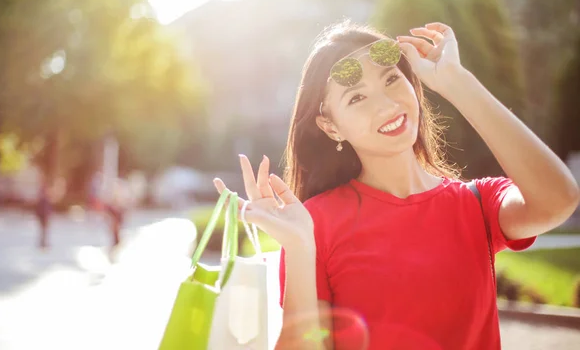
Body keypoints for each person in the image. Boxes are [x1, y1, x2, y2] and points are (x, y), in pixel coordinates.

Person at [213, 21, 580, 350]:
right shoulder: (314, 224)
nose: (387, 104)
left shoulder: (475, 204)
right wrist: (297, 247)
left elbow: (559, 200)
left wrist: (457, 82)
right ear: (330, 126)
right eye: (356, 97)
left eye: (391, 79)